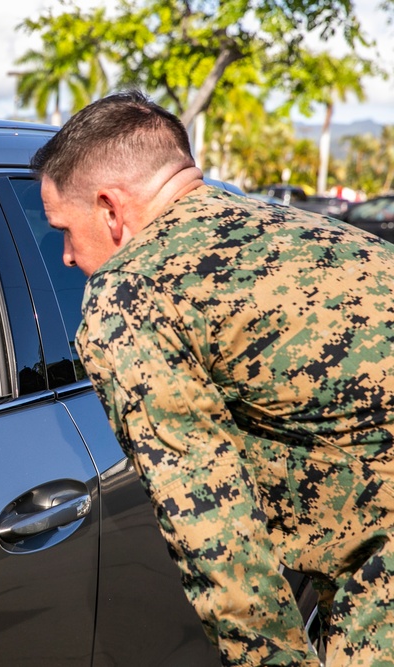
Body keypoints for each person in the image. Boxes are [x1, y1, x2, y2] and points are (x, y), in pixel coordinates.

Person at [31, 89, 394, 667]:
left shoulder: (132, 295)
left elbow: (216, 532)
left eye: (62, 230)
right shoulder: (330, 237)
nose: (68, 257)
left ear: (109, 209)